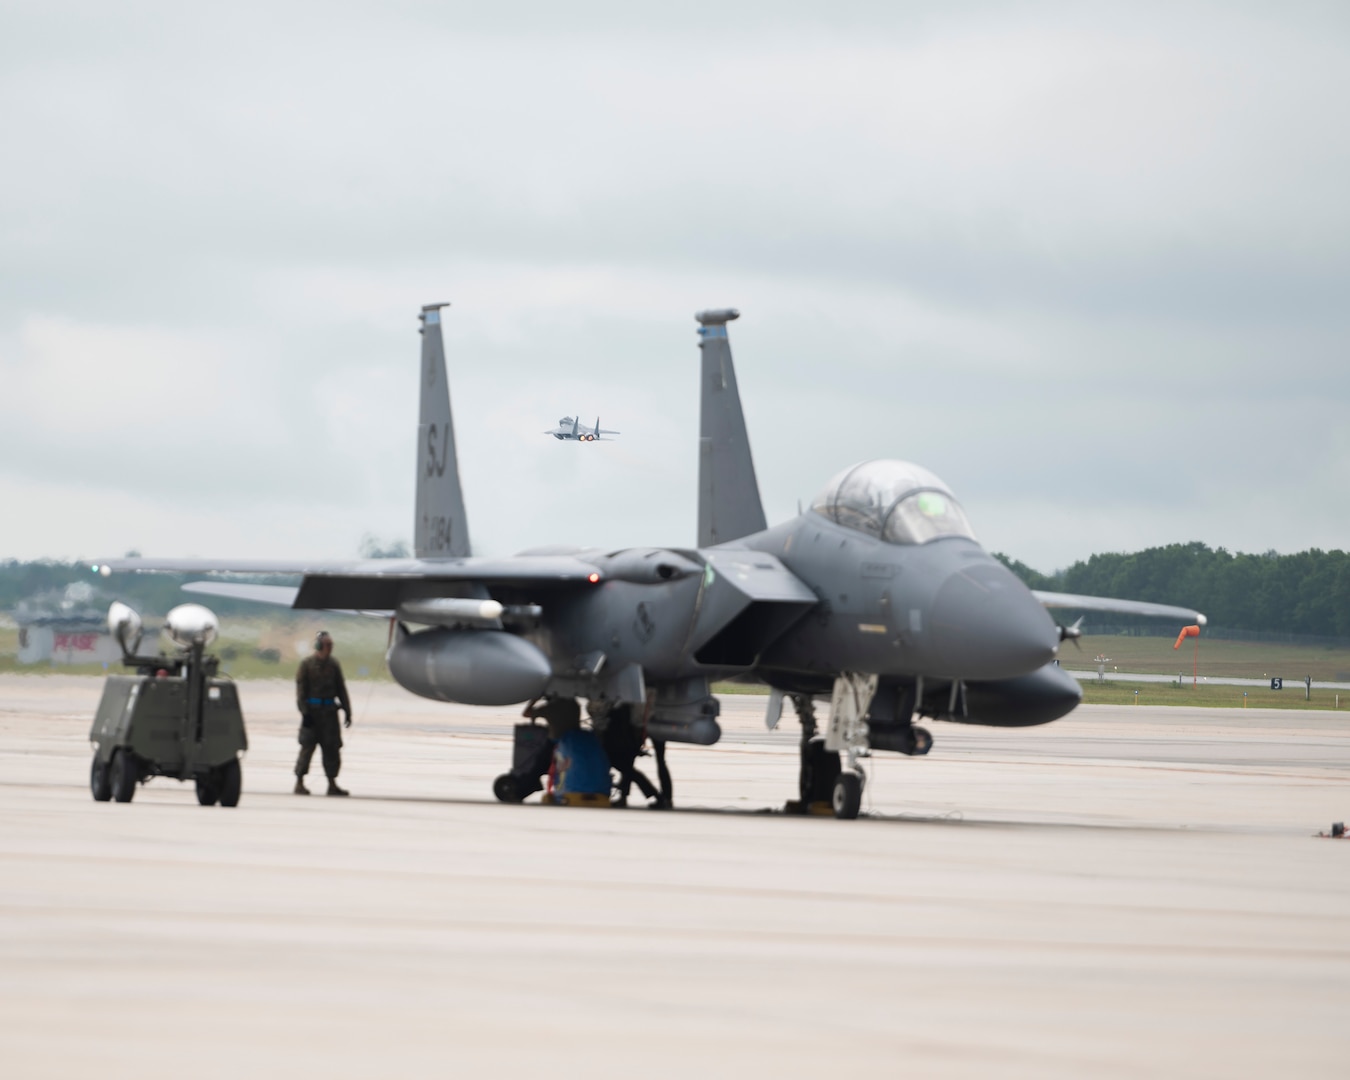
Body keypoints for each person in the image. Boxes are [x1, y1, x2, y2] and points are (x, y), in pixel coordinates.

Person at [294, 630, 351, 796]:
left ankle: (332, 784)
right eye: (327, 645)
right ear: (319, 646)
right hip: (313, 713)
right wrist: (305, 714)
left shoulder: (334, 664)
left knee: (332, 749)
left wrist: (348, 711)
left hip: (330, 715)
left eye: (331, 645)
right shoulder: (306, 665)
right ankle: (299, 782)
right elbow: (301, 692)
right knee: (307, 748)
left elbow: (341, 689)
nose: (330, 648)